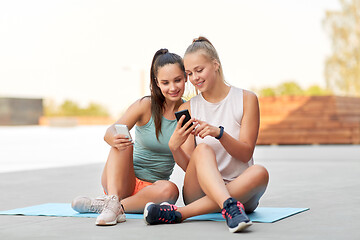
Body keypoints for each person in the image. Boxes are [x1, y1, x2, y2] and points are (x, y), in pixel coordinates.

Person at [144, 37, 269, 233]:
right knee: (202, 150)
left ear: (215, 64)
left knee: (260, 172)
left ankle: (180, 213)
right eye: (189, 73)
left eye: (199, 70)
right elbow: (189, 167)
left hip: (241, 187)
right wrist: (174, 148)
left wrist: (219, 134)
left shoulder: (247, 99)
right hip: (200, 191)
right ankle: (229, 206)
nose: (194, 78)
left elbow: (245, 154)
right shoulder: (189, 108)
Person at [71, 48, 188, 226]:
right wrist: (113, 138)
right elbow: (110, 131)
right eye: (165, 82)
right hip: (121, 181)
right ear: (157, 83)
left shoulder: (188, 112)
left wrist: (176, 146)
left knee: (171, 190)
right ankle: (112, 199)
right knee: (122, 138)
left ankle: (111, 206)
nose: (172, 88)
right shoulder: (145, 105)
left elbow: (188, 164)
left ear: (186, 77)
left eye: (177, 80)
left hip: (151, 189)